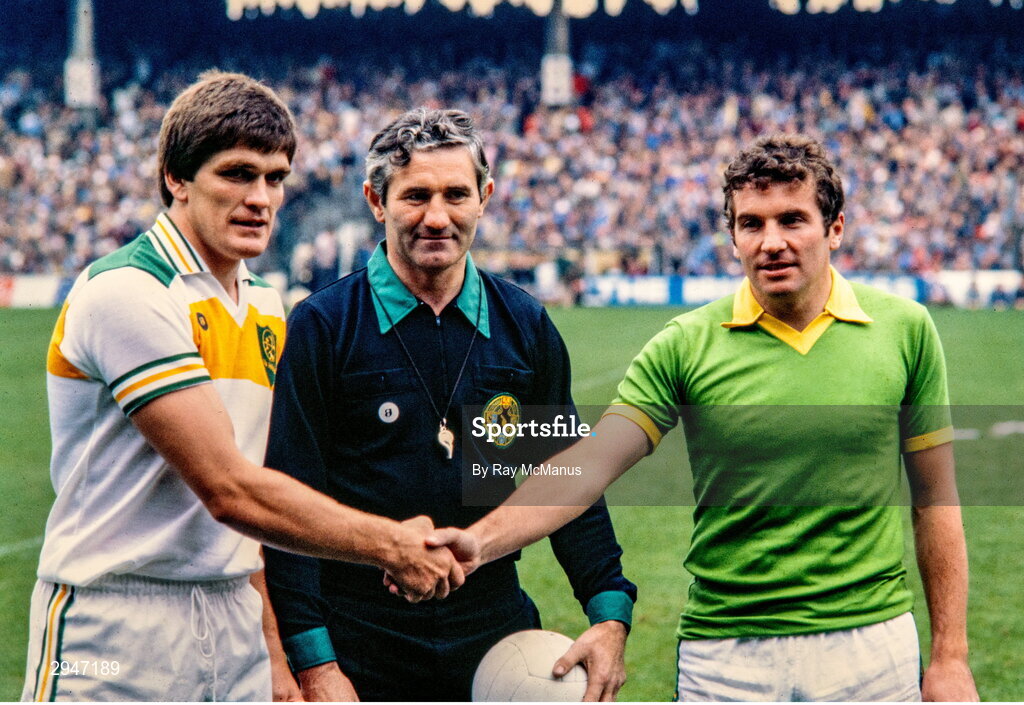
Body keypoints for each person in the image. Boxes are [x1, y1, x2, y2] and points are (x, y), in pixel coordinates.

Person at [446, 134, 979, 701]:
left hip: (871, 645)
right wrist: (479, 541)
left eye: (792, 220)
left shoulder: (905, 329)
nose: (771, 242)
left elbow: (935, 499)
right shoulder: (685, 344)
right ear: (732, 239)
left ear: (835, 228)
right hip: (725, 654)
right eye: (751, 225)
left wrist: (950, 655)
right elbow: (588, 464)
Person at [22, 72, 465, 702]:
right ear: (176, 178)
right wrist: (391, 544)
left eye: (275, 177)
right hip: (116, 617)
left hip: (233, 618)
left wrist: (279, 654)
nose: (261, 197)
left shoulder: (265, 303)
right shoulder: (128, 292)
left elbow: (257, 502)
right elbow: (228, 489)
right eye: (236, 174)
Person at [263, 108, 636, 702]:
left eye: (456, 194)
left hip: (494, 642)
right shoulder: (323, 327)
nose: (436, 217)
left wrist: (609, 611)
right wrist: (315, 664)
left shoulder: (525, 326)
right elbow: (288, 502)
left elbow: (564, 476)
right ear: (375, 200)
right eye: (415, 196)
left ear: (485, 197)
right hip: (357, 647)